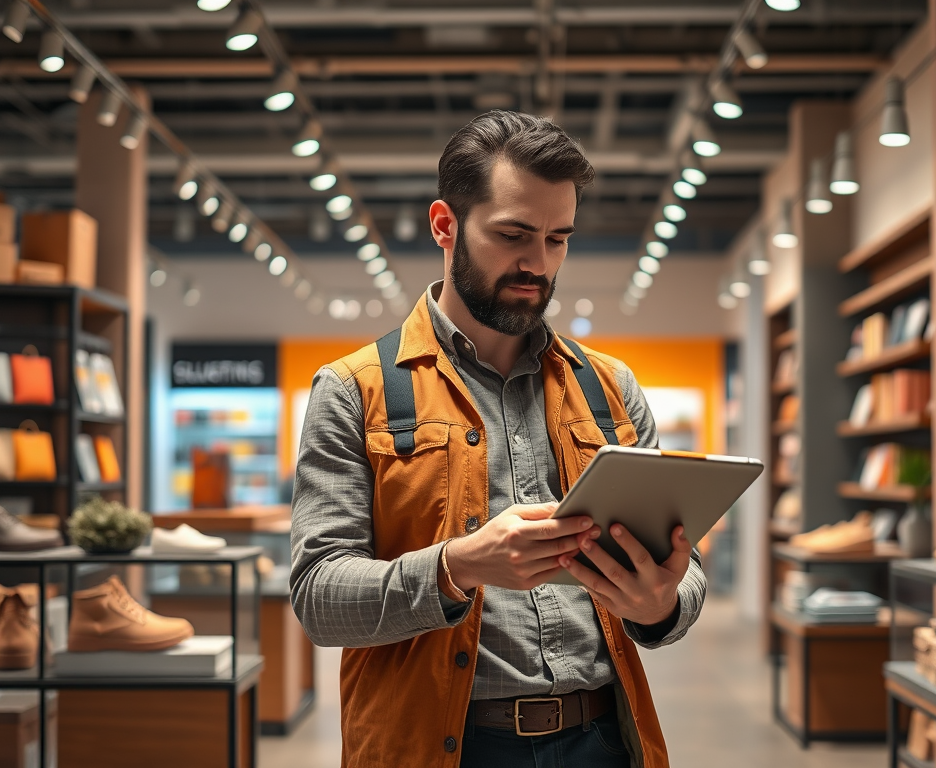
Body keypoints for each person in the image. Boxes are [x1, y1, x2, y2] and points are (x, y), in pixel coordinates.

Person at [290, 110, 707, 768]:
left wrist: (661, 604)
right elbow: (318, 596)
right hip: (439, 748)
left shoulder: (610, 387)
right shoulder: (354, 389)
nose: (537, 264)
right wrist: (457, 568)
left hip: (602, 741)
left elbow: (682, 579)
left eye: (558, 239)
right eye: (513, 235)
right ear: (444, 226)